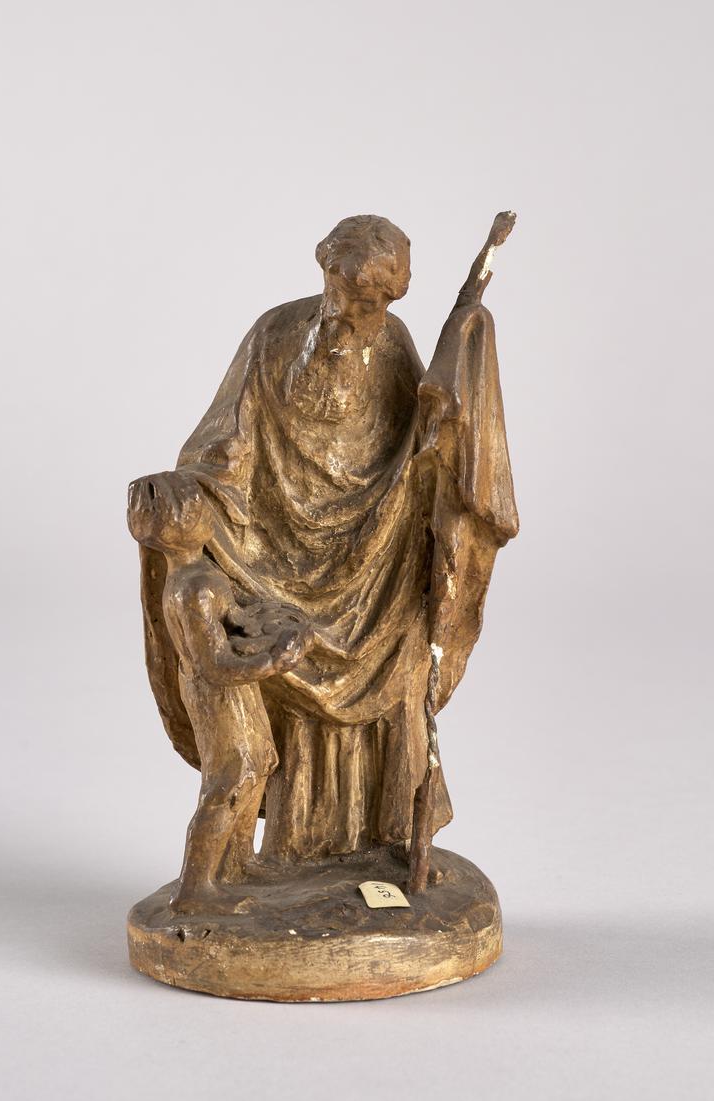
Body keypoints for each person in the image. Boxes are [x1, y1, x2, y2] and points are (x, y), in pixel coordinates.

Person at [129, 213, 516, 883]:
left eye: (382, 300)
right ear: (325, 267)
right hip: (272, 547)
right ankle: (278, 859)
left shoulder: (393, 341)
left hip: (374, 555)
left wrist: (449, 418)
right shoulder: (274, 334)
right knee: (275, 651)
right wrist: (191, 494)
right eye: (357, 294)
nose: (367, 312)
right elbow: (225, 442)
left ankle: (382, 840)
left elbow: (418, 439)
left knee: (397, 659)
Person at [128, 472, 311, 910]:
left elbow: (232, 620)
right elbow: (213, 664)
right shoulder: (191, 589)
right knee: (230, 779)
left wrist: (264, 622)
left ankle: (238, 861)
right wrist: (271, 662)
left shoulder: (202, 574)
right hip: (217, 692)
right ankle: (195, 888)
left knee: (261, 761)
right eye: (191, 510)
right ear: (169, 529)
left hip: (234, 688)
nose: (203, 515)